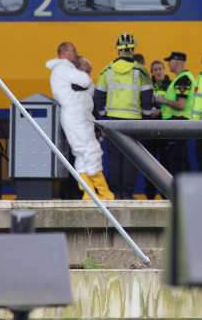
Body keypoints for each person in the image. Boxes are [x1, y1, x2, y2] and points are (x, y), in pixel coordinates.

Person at [46, 42, 114, 200]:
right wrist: (86, 76)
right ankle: (103, 192)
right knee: (91, 150)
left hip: (81, 117)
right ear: (64, 52)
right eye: (73, 50)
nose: (76, 53)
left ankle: (88, 193)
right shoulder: (64, 67)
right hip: (76, 117)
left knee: (82, 155)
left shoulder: (67, 69)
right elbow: (84, 81)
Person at [94, 33, 153, 200]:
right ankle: (127, 194)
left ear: (118, 51)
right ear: (133, 50)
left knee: (115, 158)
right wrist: (146, 120)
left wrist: (105, 117)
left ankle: (116, 194)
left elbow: (99, 97)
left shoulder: (107, 70)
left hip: (113, 121)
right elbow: (147, 98)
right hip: (134, 121)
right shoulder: (141, 71)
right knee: (131, 159)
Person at [153, 52, 195, 175]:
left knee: (177, 163)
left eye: (169, 61)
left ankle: (179, 193)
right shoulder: (182, 78)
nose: (168, 63)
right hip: (179, 123)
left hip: (177, 123)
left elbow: (181, 105)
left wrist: (163, 100)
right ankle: (188, 192)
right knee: (183, 161)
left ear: (176, 62)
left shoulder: (182, 80)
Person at [143, 60, 172, 200]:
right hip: (149, 128)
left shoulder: (171, 85)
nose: (158, 71)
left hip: (164, 128)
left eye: (160, 68)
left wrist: (161, 112)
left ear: (164, 70)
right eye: (155, 69)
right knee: (150, 163)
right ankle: (150, 194)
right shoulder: (148, 86)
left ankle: (165, 193)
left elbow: (174, 104)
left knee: (166, 162)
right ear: (152, 73)